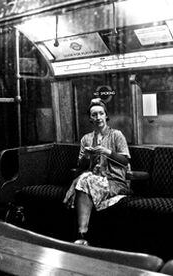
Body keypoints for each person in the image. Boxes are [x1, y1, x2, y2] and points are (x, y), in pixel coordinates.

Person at [63, 98, 131, 245]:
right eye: (94, 115)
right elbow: (81, 166)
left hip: (115, 181)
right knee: (85, 178)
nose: (98, 117)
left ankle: (82, 234)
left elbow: (125, 161)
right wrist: (87, 156)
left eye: (101, 113)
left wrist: (106, 151)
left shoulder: (116, 135)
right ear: (90, 118)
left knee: (84, 181)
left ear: (106, 116)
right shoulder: (86, 139)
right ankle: (82, 233)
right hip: (94, 179)